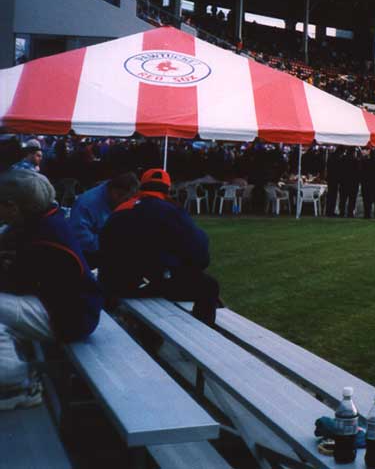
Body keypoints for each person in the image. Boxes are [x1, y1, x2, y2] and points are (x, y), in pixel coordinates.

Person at [0, 169, 102, 410]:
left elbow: (15, 283)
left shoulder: (45, 234)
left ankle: (19, 385)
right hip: (59, 306)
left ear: (13, 207)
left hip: (70, 319)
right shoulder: (42, 220)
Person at [99, 169, 220, 325]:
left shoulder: (121, 209)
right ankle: (202, 333)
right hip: (146, 285)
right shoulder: (172, 211)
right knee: (209, 286)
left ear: (141, 187)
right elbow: (201, 255)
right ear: (168, 190)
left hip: (113, 284)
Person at [68, 172, 139, 265]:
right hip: (90, 257)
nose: (128, 204)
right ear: (116, 193)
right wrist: (113, 244)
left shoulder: (119, 196)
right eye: (126, 199)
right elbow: (82, 240)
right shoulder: (86, 205)